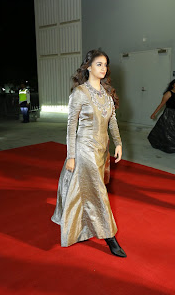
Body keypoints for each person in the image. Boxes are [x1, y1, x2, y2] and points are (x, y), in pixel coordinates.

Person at [51, 50, 126, 258]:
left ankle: (81, 228)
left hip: (102, 150)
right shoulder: (79, 93)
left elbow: (113, 121)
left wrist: (118, 143)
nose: (103, 68)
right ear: (88, 67)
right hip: (84, 150)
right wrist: (71, 156)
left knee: (85, 191)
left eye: (105, 65)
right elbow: (71, 127)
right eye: (99, 64)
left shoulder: (107, 93)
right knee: (99, 193)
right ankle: (110, 237)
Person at [148, 79, 175, 155]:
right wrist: (154, 114)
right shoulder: (168, 93)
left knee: (162, 129)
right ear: (173, 85)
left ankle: (158, 142)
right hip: (168, 114)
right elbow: (161, 104)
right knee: (174, 131)